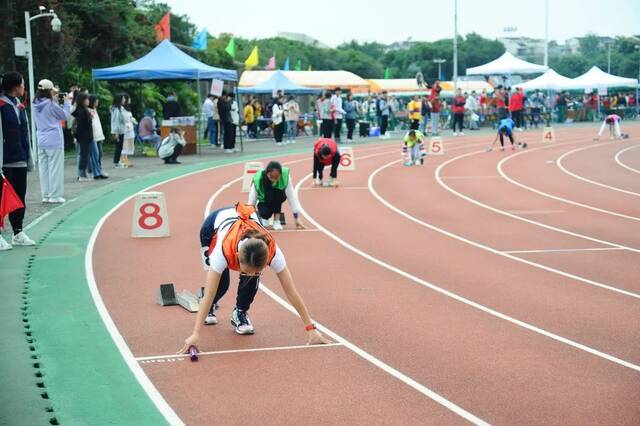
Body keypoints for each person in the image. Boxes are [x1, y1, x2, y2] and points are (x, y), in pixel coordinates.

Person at [177, 203, 331, 348]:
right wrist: (195, 334)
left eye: (258, 270)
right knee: (220, 286)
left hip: (246, 229)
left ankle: (240, 312)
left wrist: (311, 328)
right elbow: (210, 293)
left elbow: (291, 292)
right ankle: (210, 306)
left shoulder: (273, 252)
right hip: (211, 228)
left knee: (251, 281)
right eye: (246, 270)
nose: (251, 274)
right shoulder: (221, 253)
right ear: (237, 256)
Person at [0, 71, 36, 250]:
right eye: (22, 84)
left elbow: (25, 135)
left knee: (19, 197)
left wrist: (29, 159)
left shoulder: (20, 107)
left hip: (20, 160)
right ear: (15, 87)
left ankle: (18, 232)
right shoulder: (1, 105)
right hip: (4, 162)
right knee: (1, 199)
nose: (24, 87)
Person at [33, 79, 71, 203]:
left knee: (43, 170)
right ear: (49, 91)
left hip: (41, 140)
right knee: (55, 169)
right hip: (54, 140)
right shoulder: (50, 103)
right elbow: (64, 115)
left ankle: (46, 195)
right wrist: (66, 103)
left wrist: (54, 100)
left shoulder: (34, 103)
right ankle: (55, 196)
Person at [248, 161, 305, 231]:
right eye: (272, 177)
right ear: (267, 174)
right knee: (265, 213)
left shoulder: (285, 176)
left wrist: (296, 218)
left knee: (278, 193)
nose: (274, 180)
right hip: (263, 201)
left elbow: (292, 197)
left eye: (277, 177)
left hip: (278, 197)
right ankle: (263, 219)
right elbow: (251, 201)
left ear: (280, 174)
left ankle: (277, 221)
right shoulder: (258, 179)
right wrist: (248, 219)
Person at [71, 93, 95, 182]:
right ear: (82, 101)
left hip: (86, 137)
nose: (88, 101)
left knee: (85, 155)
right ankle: (81, 175)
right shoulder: (81, 112)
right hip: (84, 137)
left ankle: (83, 174)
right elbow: (80, 126)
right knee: (84, 155)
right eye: (87, 99)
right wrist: (77, 136)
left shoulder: (84, 110)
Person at [87, 95, 108, 180]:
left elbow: (97, 124)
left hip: (98, 135)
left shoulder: (95, 110)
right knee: (95, 155)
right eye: (96, 101)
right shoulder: (88, 111)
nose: (97, 102)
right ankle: (95, 172)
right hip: (93, 136)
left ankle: (98, 170)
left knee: (100, 154)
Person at [110, 93, 127, 168]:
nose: (124, 100)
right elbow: (116, 121)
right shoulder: (116, 110)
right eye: (123, 98)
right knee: (118, 147)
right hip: (118, 131)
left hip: (121, 130)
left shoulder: (120, 108)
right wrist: (116, 133)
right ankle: (116, 162)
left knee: (120, 147)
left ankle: (117, 161)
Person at [120, 95, 136, 168]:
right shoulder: (122, 109)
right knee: (125, 143)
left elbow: (129, 117)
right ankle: (122, 158)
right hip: (126, 128)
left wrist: (132, 119)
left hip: (130, 127)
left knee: (129, 142)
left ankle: (126, 158)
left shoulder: (128, 108)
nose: (130, 100)